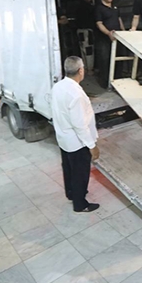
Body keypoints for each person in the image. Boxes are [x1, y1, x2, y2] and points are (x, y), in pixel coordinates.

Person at [51, 56, 100, 213]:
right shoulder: (76, 95)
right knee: (80, 173)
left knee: (68, 169)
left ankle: (71, 193)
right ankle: (80, 204)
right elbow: (80, 125)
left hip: (63, 138)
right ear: (80, 70)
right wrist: (92, 145)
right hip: (77, 142)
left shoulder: (58, 87)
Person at [94, 0, 125, 88]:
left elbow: (119, 20)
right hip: (104, 39)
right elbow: (99, 24)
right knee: (105, 60)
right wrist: (108, 33)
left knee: (119, 59)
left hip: (117, 37)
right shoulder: (98, 8)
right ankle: (106, 83)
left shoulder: (115, 7)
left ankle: (118, 82)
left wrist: (123, 32)